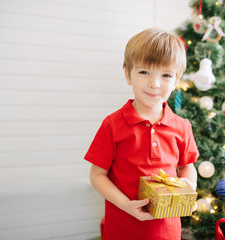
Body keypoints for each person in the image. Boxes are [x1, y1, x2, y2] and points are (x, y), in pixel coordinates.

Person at [84, 28, 199, 240]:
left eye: (165, 75)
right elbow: (97, 175)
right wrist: (125, 205)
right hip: (122, 227)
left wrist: (188, 186)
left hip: (167, 230)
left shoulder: (182, 126)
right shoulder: (112, 124)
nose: (154, 83)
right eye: (144, 72)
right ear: (128, 74)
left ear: (176, 80)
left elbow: (187, 167)